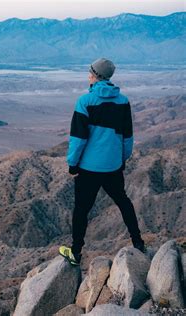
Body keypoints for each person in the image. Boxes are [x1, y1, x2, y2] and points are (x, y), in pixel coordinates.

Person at [59, 58, 145, 266]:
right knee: (123, 202)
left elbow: (78, 138)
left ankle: (75, 253)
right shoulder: (123, 101)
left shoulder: (85, 101)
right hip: (113, 166)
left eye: (89, 72)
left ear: (95, 75)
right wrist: (122, 159)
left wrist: (73, 163)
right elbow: (127, 136)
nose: (88, 75)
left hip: (89, 168)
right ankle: (138, 243)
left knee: (81, 210)